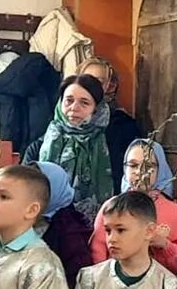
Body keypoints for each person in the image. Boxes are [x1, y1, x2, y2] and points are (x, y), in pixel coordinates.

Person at [22, 74, 112, 226]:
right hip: (41, 225)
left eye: (84, 103)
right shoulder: (38, 147)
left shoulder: (111, 142)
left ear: (96, 109)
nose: (74, 108)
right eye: (69, 101)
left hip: (94, 228)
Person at [88, 139, 177, 273]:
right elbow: (97, 254)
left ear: (160, 170)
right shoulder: (112, 207)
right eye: (133, 165)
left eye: (149, 166)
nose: (140, 172)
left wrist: (164, 244)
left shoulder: (174, 212)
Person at [76, 56, 143, 194]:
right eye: (87, 80)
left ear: (108, 86)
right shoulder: (63, 121)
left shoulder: (124, 124)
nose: (92, 86)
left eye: (99, 82)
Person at [32, 162, 91, 289]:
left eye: (38, 189)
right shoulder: (23, 222)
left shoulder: (70, 231)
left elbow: (77, 283)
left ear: (54, 188)